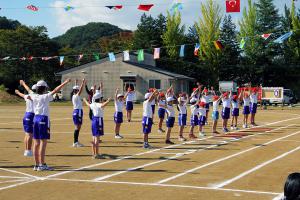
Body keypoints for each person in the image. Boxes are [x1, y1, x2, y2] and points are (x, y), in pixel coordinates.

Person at [20, 79, 71, 171]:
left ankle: (36, 165)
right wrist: (65, 82)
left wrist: (23, 83)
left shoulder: (34, 95)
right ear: (44, 88)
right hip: (43, 119)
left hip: (35, 119)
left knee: (36, 143)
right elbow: (56, 90)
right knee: (43, 142)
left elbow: (28, 90)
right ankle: (42, 164)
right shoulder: (46, 96)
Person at [83, 94, 111, 159]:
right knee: (97, 138)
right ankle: (97, 154)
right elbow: (103, 105)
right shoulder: (98, 104)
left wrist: (84, 100)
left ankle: (94, 153)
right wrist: (108, 101)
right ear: (99, 99)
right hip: (98, 121)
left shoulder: (93, 104)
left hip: (93, 120)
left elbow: (88, 104)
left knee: (94, 137)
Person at [15, 83, 37, 157]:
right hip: (32, 115)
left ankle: (26, 150)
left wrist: (18, 92)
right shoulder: (37, 96)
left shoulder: (29, 95)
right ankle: (29, 151)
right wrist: (23, 84)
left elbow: (25, 92)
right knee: (30, 134)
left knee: (27, 134)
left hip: (26, 114)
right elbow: (28, 89)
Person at [71, 79, 86, 147]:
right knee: (78, 127)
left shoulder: (74, 96)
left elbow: (76, 89)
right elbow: (80, 90)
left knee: (78, 127)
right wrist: (82, 83)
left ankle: (76, 141)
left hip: (76, 111)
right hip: (78, 112)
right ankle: (75, 142)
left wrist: (76, 82)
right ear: (76, 91)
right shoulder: (76, 96)